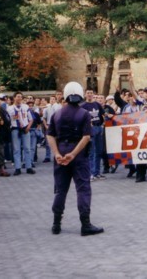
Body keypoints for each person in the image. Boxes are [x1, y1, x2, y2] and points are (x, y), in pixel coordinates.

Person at [46, 81, 104, 236]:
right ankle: (85, 224)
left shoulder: (56, 114)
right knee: (83, 188)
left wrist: (57, 153)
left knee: (60, 190)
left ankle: (56, 224)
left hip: (61, 152)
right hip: (78, 155)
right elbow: (86, 137)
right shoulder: (84, 114)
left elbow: (50, 135)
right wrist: (73, 154)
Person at [7, 92, 34, 176]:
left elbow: (31, 119)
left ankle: (28, 167)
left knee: (27, 148)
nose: (19, 98)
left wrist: (28, 127)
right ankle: (17, 168)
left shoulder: (25, 107)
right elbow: (8, 120)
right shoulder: (9, 108)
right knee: (16, 149)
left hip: (25, 129)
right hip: (15, 129)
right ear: (14, 98)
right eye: (18, 97)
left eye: (21, 97)